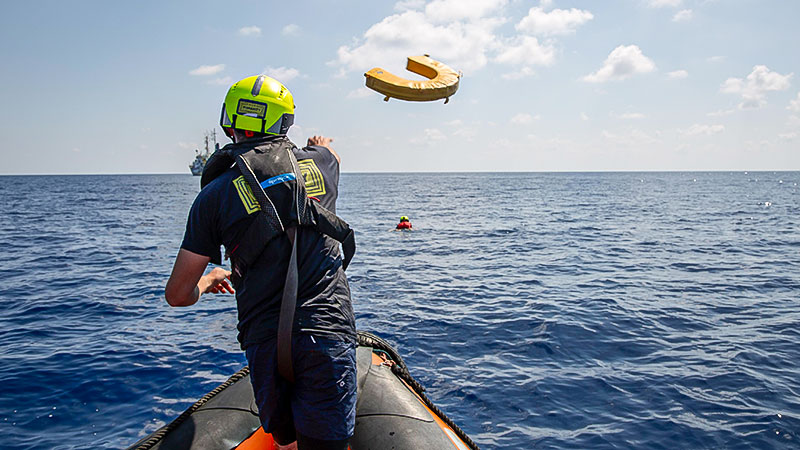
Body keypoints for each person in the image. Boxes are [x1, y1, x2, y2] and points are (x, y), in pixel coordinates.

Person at [165, 75, 356, 450]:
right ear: (285, 123)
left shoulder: (214, 196)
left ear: (229, 122)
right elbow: (332, 156)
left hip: (266, 343)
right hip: (326, 331)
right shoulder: (323, 166)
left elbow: (177, 294)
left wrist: (209, 280)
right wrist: (320, 145)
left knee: (285, 442)